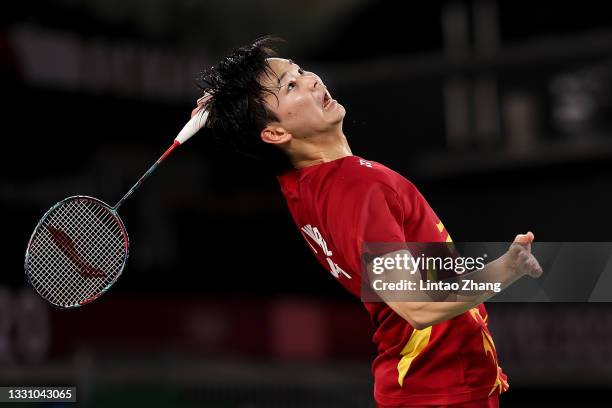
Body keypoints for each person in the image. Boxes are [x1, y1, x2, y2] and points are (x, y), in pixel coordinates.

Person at [191, 37, 543, 408]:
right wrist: (506, 269)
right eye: (290, 86)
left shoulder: (303, 189)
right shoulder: (358, 187)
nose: (311, 81)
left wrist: (229, 105)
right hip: (438, 388)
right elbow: (417, 307)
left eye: (300, 70)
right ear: (276, 133)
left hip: (437, 383)